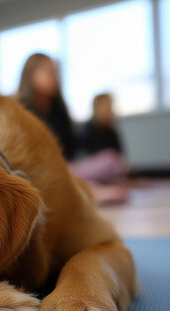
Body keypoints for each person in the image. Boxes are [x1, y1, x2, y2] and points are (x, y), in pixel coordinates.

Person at [17, 53, 128, 203]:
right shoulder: (20, 111)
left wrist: (99, 126)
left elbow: (72, 147)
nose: (54, 77)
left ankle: (83, 188)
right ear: (30, 75)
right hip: (39, 170)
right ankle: (87, 191)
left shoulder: (59, 111)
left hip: (67, 169)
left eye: (55, 72)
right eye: (48, 72)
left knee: (112, 158)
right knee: (42, 174)